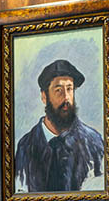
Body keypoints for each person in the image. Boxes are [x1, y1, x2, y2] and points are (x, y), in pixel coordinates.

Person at [14, 58, 104, 193]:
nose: (66, 97)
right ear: (44, 97)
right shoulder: (26, 146)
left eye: (69, 89)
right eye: (58, 90)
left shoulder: (93, 141)